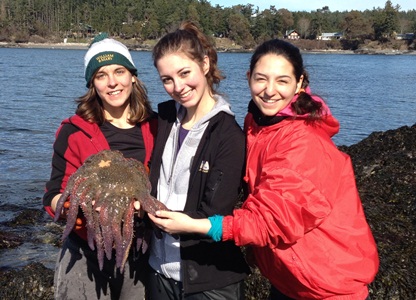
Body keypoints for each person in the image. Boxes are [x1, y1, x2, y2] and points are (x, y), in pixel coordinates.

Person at [149, 39, 379, 299]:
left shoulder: (305, 142)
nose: (270, 91)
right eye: (261, 79)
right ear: (249, 78)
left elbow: (268, 222)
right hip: (289, 278)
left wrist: (196, 225)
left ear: (299, 82)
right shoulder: (259, 125)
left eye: (282, 81)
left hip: (328, 282)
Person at [43, 33, 157, 300]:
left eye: (119, 71)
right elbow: (52, 197)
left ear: (133, 76)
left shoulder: (157, 126)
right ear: (92, 83)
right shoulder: (73, 131)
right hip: (86, 252)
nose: (112, 82)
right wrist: (78, 205)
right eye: (101, 75)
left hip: (139, 251)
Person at [145, 21, 250, 299]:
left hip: (208, 280)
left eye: (184, 73)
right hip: (158, 269)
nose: (178, 87)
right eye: (167, 79)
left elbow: (217, 212)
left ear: (204, 64)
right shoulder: (165, 120)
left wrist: (176, 222)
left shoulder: (229, 136)